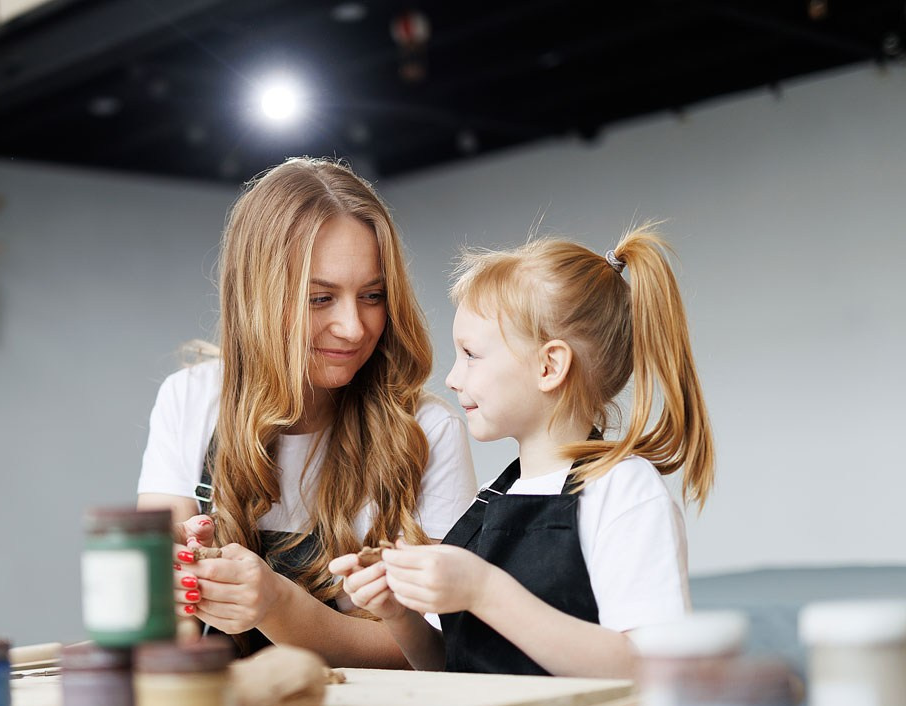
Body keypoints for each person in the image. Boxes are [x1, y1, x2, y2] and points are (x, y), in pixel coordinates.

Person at [331, 223, 714, 678]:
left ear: (549, 366)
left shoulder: (623, 490)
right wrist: (399, 615)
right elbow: (448, 665)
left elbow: (651, 668)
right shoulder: (492, 499)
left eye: (471, 355)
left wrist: (484, 591)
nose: (452, 378)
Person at [137, 157, 477, 667]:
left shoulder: (428, 430)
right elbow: (161, 610)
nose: (353, 328)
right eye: (320, 298)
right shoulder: (190, 399)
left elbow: (436, 652)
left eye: (372, 296)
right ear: (257, 296)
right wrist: (187, 578)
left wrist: (278, 606)